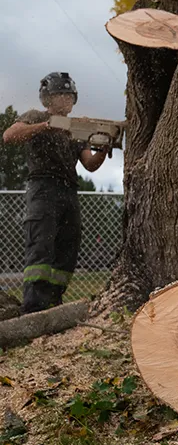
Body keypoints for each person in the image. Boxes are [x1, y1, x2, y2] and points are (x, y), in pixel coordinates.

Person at [2, 72, 109, 313]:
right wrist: (46, 126)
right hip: (43, 187)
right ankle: (33, 306)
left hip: (69, 191)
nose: (68, 99)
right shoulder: (35, 116)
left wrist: (102, 148)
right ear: (48, 98)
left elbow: (89, 164)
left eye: (71, 95)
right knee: (41, 244)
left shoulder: (76, 129)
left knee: (67, 247)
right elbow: (9, 136)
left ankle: (53, 300)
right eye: (63, 94)